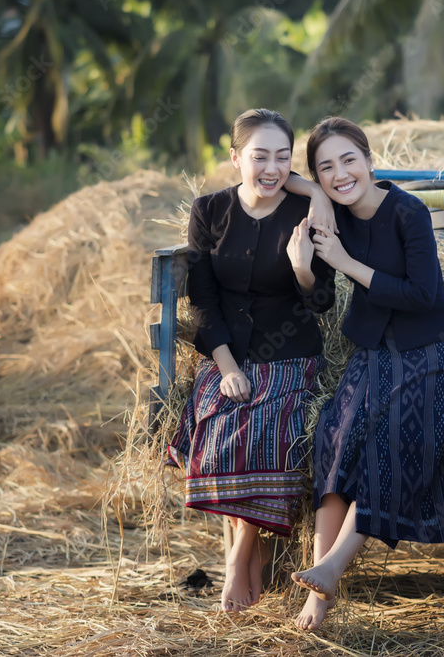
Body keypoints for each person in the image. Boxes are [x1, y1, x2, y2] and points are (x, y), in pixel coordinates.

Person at [284, 117, 444, 630]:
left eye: (349, 160)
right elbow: (320, 301)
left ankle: (331, 570)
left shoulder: (406, 211)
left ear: (369, 159)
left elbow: (422, 295)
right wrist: (305, 265)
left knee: (391, 434)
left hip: (432, 343)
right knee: (335, 433)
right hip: (374, 347)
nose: (341, 174)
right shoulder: (329, 215)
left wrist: (344, 260)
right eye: (326, 168)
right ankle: (317, 596)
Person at [165, 108, 335, 613]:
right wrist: (228, 367)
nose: (272, 167)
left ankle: (241, 555)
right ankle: (251, 546)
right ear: (235, 156)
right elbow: (203, 301)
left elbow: (322, 301)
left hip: (290, 352)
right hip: (225, 353)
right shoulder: (209, 211)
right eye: (259, 155)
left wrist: (303, 270)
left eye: (283, 157)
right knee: (218, 428)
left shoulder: (303, 214)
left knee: (268, 427)